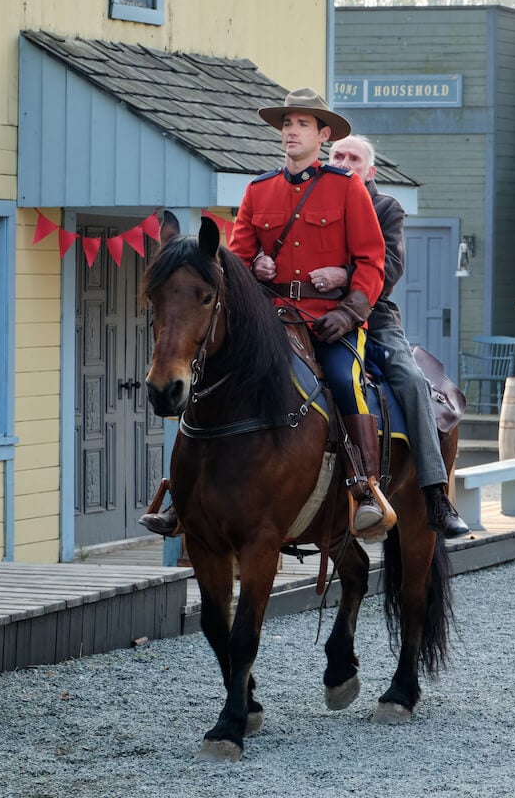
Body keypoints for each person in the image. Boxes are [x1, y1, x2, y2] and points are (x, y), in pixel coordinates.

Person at [140, 88, 395, 541]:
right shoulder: (258, 190)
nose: (291, 132)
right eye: (286, 124)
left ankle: (364, 486)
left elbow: (373, 261)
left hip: (328, 320)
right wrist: (251, 267)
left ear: (323, 135)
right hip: (270, 318)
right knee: (208, 378)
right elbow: (231, 267)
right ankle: (181, 493)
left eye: (301, 124)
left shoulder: (346, 187)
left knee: (343, 379)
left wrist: (352, 311)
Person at [310, 133, 468, 538]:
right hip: (306, 313)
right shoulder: (312, 199)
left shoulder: (385, 207)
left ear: (371, 170)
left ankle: (435, 493)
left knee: (411, 380)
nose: (345, 162)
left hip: (374, 317)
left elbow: (390, 268)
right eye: (338, 155)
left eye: (354, 158)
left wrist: (344, 276)